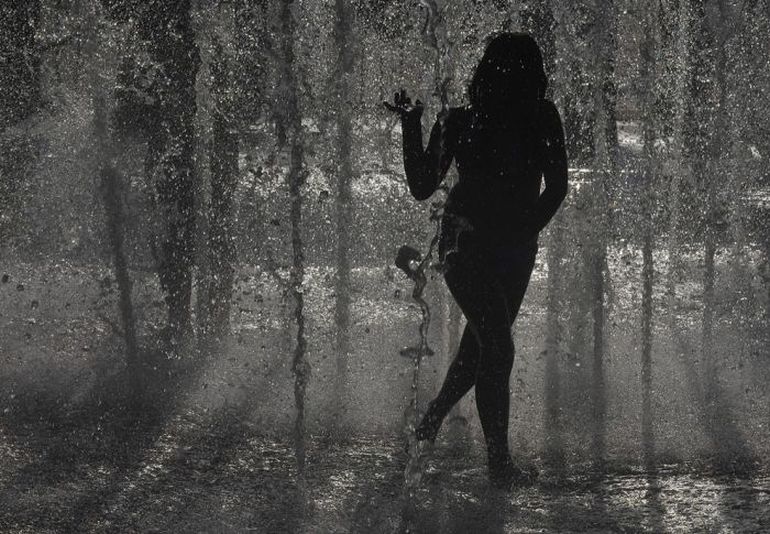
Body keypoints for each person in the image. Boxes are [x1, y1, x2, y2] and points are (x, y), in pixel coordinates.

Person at [384, 33, 568, 489]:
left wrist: (526, 230)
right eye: (502, 72)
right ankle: (499, 464)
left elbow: (558, 186)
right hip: (463, 245)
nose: (507, 81)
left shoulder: (542, 118)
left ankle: (430, 422)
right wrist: (412, 123)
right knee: (498, 345)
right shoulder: (461, 121)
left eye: (515, 73)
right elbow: (423, 185)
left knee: (483, 345)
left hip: (517, 249)